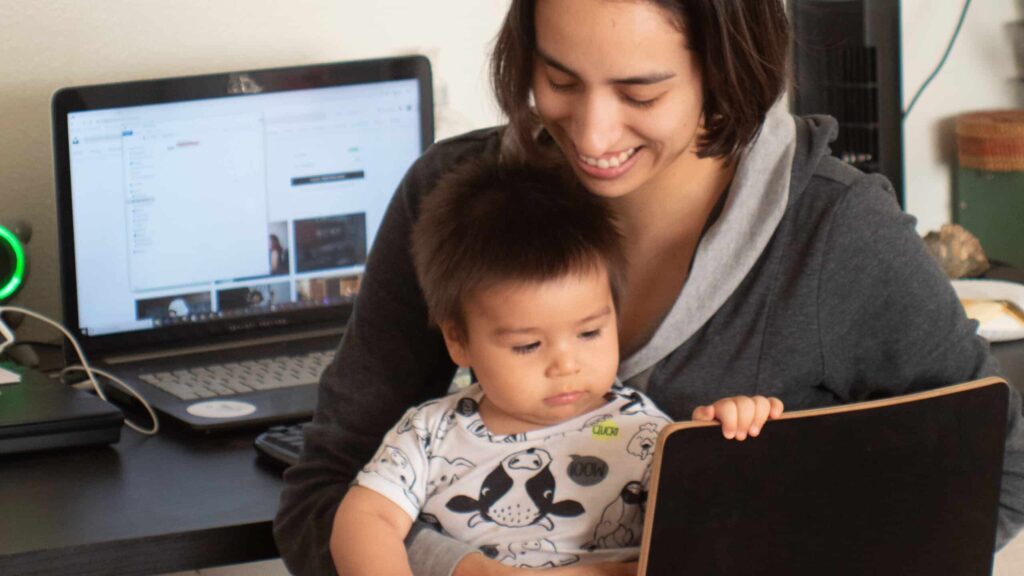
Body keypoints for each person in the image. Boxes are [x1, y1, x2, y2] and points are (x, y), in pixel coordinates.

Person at [276, 1, 1024, 575]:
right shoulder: (456, 200)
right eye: (560, 80)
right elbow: (324, 494)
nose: (593, 136)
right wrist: (469, 570)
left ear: (724, 72)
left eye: (641, 93)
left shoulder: (835, 232)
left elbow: (998, 479)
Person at [330, 159, 784, 575]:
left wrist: (722, 442)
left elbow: (712, 537)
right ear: (459, 341)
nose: (566, 365)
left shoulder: (644, 434)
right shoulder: (430, 434)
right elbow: (365, 520)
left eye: (589, 333)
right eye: (527, 345)